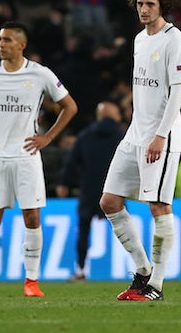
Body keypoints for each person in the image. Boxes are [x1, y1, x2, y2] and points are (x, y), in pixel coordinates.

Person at [0, 21, 78, 298]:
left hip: (27, 157)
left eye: (8, 40)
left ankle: (31, 282)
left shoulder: (39, 74)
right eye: (0, 39)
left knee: (32, 216)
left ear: (22, 45)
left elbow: (70, 107)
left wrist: (47, 138)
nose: (1, 44)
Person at [99, 0, 181, 302]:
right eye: (140, 4)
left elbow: (179, 90)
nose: (144, 9)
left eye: (150, 4)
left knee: (159, 205)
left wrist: (160, 135)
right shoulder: (139, 40)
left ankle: (156, 287)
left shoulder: (174, 39)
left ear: (162, 5)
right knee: (109, 202)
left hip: (160, 137)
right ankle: (142, 270)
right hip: (135, 134)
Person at [56, 101, 125, 281]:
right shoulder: (121, 136)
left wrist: (65, 183)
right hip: (114, 191)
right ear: (111, 115)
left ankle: (80, 270)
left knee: (84, 230)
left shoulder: (85, 136)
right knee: (125, 229)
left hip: (88, 190)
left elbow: (72, 162)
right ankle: (140, 268)